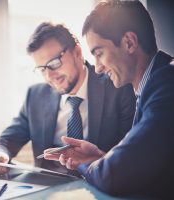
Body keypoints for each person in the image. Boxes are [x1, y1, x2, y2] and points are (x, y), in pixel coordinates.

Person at [44, 0, 174, 198]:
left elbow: (112, 176)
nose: (97, 68)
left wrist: (86, 163)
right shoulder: (152, 84)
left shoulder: (166, 87)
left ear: (129, 43)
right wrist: (100, 157)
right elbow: (142, 165)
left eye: (99, 53)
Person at [0, 22, 136, 177]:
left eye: (54, 63)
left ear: (77, 52)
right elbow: (8, 139)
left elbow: (129, 156)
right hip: (47, 189)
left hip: (97, 185)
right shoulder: (36, 95)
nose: (49, 76)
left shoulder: (118, 87)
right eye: (42, 69)